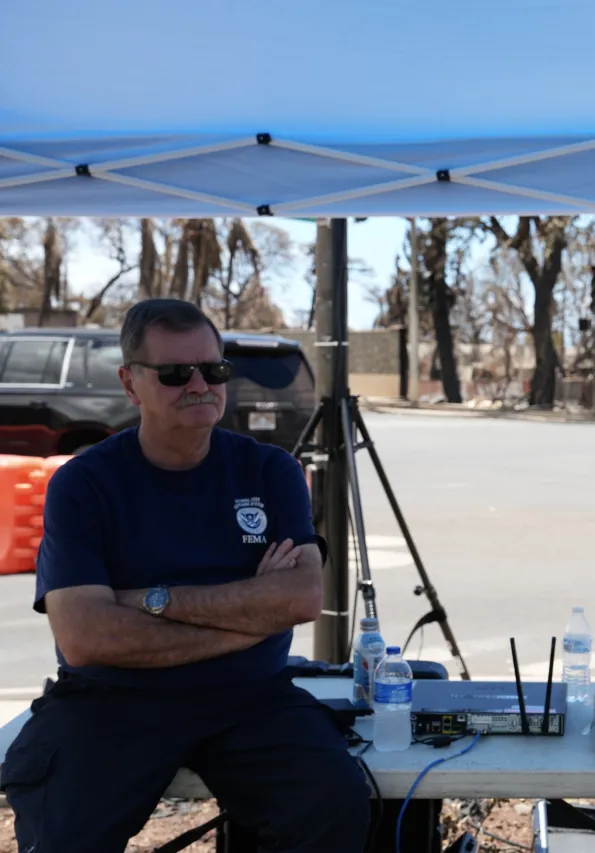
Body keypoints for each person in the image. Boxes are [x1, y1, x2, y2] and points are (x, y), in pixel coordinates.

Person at [0, 299, 369, 852]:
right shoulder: (84, 483)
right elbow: (85, 639)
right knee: (63, 832)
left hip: (252, 699)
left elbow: (299, 599)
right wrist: (249, 619)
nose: (199, 384)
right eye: (175, 373)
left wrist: (145, 601)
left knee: (334, 805)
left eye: (214, 369)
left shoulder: (271, 471)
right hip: (112, 700)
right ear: (130, 383)